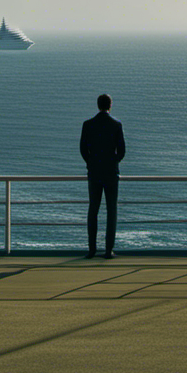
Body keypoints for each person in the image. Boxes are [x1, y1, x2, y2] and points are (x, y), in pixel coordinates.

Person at [79, 93, 125, 258]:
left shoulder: (88, 125)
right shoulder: (116, 125)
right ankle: (108, 250)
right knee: (111, 211)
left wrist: (91, 163)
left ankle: (91, 249)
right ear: (110, 105)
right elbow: (122, 151)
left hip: (94, 173)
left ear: (98, 105)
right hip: (111, 173)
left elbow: (83, 149)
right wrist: (112, 162)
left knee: (93, 210)